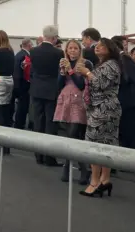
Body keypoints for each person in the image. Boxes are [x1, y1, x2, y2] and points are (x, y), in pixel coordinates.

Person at [75, 38, 121, 198]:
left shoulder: (111, 65)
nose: (97, 48)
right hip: (104, 108)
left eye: (102, 46)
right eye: (97, 46)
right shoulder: (105, 64)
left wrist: (87, 73)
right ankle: (104, 180)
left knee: (95, 144)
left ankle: (95, 181)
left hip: (103, 109)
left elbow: (101, 84)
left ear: (110, 49)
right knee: (106, 143)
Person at [54, 40, 93, 185]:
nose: (72, 51)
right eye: (70, 48)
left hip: (79, 101)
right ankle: (77, 167)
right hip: (66, 99)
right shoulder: (63, 62)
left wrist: (70, 69)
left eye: (75, 48)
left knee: (73, 134)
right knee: (70, 136)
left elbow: (82, 84)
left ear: (79, 50)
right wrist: (62, 72)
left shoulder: (85, 63)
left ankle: (77, 167)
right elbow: (58, 84)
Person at [30, 25, 64, 166]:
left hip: (37, 88)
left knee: (38, 121)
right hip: (51, 89)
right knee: (50, 123)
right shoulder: (58, 53)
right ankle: (49, 157)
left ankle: (38, 155)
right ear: (55, 37)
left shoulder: (33, 51)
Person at [112, 36, 135, 150]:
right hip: (128, 101)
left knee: (129, 133)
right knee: (126, 133)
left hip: (128, 102)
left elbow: (128, 79)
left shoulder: (124, 58)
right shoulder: (124, 58)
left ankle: (134, 163)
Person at [13, 38, 32, 130]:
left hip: (18, 84)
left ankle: (19, 124)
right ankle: (20, 125)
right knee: (22, 107)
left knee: (21, 106)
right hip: (23, 85)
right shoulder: (25, 56)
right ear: (29, 45)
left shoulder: (18, 54)